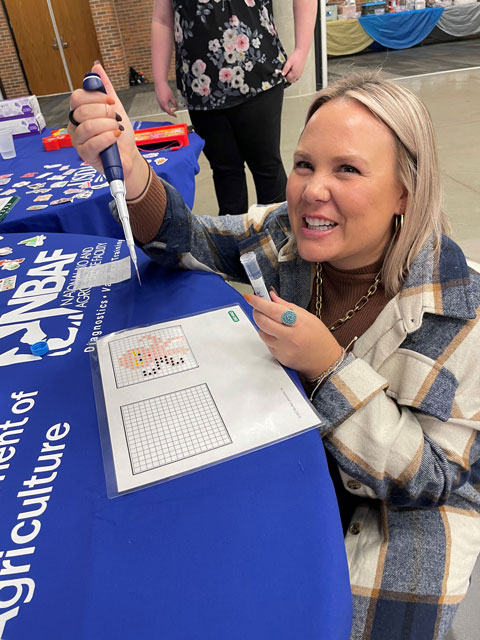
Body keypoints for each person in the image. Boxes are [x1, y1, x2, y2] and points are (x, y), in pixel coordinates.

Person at [68, 64, 480, 639]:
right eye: (305, 163)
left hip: (385, 515)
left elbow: (431, 482)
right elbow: (194, 240)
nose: (313, 189)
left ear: (404, 194)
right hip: (288, 466)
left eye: (348, 170)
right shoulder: (288, 233)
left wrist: (327, 366)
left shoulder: (460, 313)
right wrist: (135, 175)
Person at [151, 0, 317, 215]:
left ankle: (281, 241)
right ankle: (234, 242)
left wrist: (302, 50)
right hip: (201, 84)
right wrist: (160, 80)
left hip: (257, 73)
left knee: (267, 168)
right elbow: (162, 19)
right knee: (225, 174)